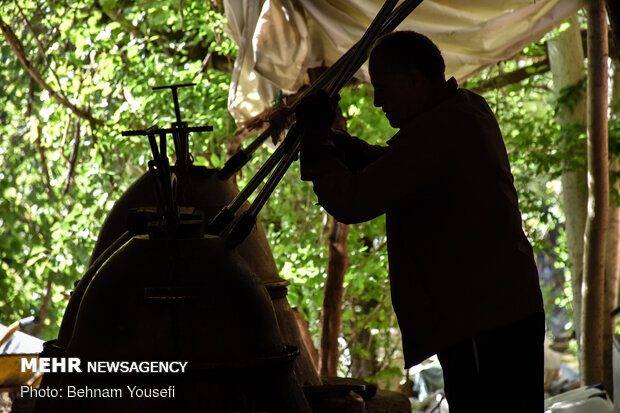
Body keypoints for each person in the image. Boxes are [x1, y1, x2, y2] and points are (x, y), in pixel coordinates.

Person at [296, 31, 545, 412]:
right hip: (496, 311)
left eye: (381, 88)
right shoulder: (465, 108)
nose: (377, 101)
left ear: (414, 79)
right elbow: (405, 167)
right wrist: (339, 143)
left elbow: (353, 201)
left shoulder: (438, 131)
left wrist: (319, 145)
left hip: (484, 318)